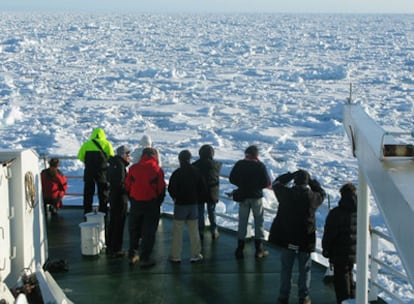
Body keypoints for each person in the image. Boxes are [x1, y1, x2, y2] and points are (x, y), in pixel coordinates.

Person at [270, 169, 326, 304]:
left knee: (286, 268)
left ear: (295, 181)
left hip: (287, 237)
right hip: (305, 239)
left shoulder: (286, 194)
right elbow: (322, 193)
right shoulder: (312, 197)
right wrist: (312, 181)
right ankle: (304, 297)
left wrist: (289, 175)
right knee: (305, 269)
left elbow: (276, 183)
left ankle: (283, 296)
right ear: (306, 183)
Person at [125, 147, 166, 268]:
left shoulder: (133, 168)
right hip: (151, 204)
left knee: (134, 229)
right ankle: (145, 258)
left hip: (136, 203)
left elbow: (127, 185)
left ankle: (133, 254)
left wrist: (132, 199)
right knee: (148, 232)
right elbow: (161, 188)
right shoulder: (157, 170)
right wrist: (157, 202)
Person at [229, 145, 271, 259]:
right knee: (259, 222)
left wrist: (241, 185)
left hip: (243, 196)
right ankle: (259, 250)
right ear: (256, 155)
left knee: (242, 222)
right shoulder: (260, 166)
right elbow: (266, 182)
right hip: (256, 197)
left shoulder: (240, 164)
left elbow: (232, 178)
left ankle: (240, 249)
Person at [168, 150, 206, 263]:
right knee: (194, 230)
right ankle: (195, 254)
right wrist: (196, 198)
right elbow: (202, 188)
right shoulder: (197, 172)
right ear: (190, 159)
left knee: (177, 231)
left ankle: (175, 256)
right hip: (193, 204)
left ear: (180, 160)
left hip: (180, 205)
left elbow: (171, 189)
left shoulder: (177, 173)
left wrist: (175, 197)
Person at [322, 182, 357, 304]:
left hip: (339, 252)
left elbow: (329, 234)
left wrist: (325, 249)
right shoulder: (360, 212)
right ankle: (353, 299)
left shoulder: (336, 213)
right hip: (354, 251)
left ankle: (344, 301)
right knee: (349, 274)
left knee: (341, 279)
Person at [77, 127, 114, 215]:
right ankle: (103, 212)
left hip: (89, 172)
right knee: (103, 193)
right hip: (102, 172)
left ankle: (87, 212)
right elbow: (111, 157)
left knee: (88, 194)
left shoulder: (86, 144)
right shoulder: (107, 144)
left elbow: (80, 156)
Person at [192, 144, 222, 241]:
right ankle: (214, 230)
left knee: (200, 213)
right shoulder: (216, 165)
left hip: (199, 192)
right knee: (212, 211)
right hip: (212, 193)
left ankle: (200, 231)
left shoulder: (195, 165)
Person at [106, 145, 131, 258]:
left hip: (113, 196)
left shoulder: (112, 164)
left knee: (113, 221)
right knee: (119, 222)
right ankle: (117, 248)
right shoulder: (120, 166)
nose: (129, 157)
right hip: (120, 197)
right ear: (123, 155)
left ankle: (110, 244)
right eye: (127, 154)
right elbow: (121, 183)